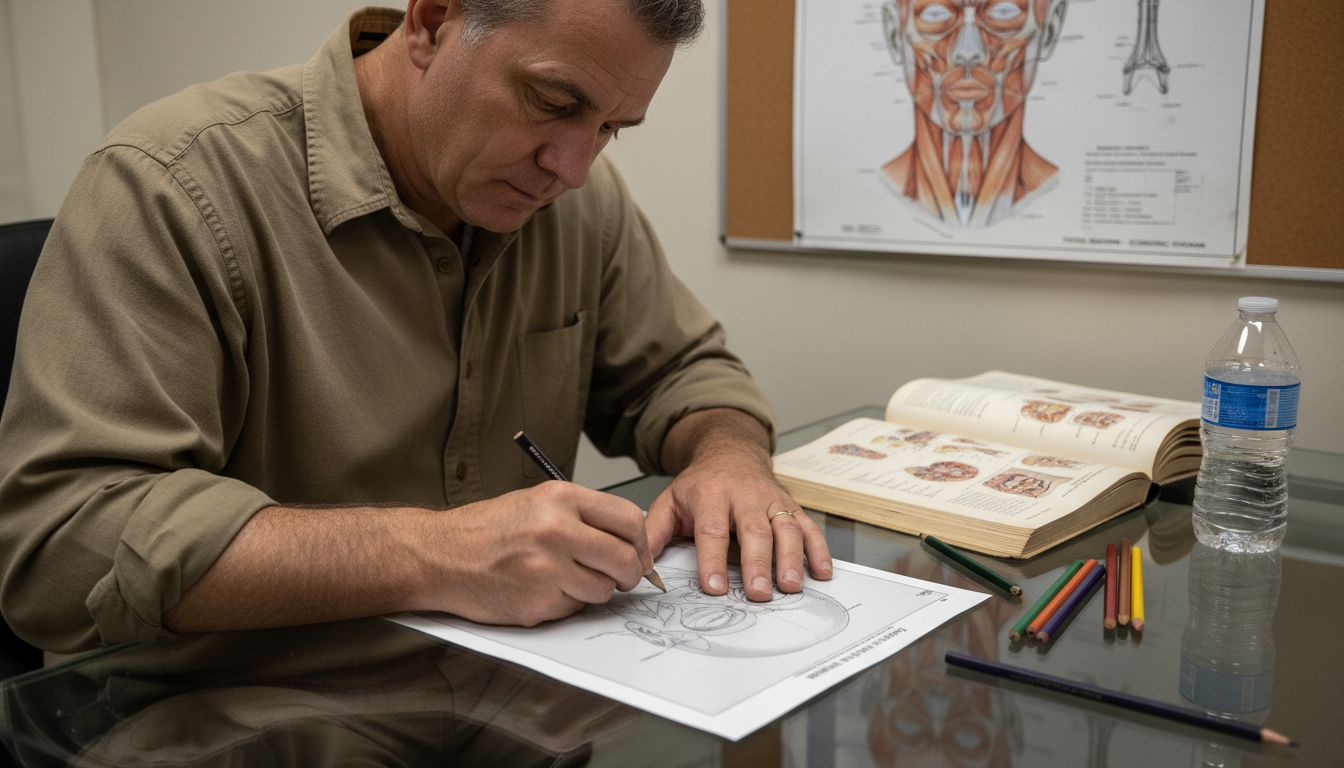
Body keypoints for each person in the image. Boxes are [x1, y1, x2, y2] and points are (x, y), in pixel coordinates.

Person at [0, 0, 832, 654]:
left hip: (499, 702)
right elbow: (64, 542)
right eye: (552, 102)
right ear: (433, 22)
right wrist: (438, 554)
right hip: (225, 719)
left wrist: (727, 456)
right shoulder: (173, 186)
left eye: (610, 128)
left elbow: (683, 374)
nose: (574, 168)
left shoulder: (577, 206)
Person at [879, 0, 1069, 227]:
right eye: (935, 14)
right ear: (894, 36)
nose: (968, 51)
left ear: (1049, 30)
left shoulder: (1053, 189)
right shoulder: (884, 186)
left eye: (1003, 12)